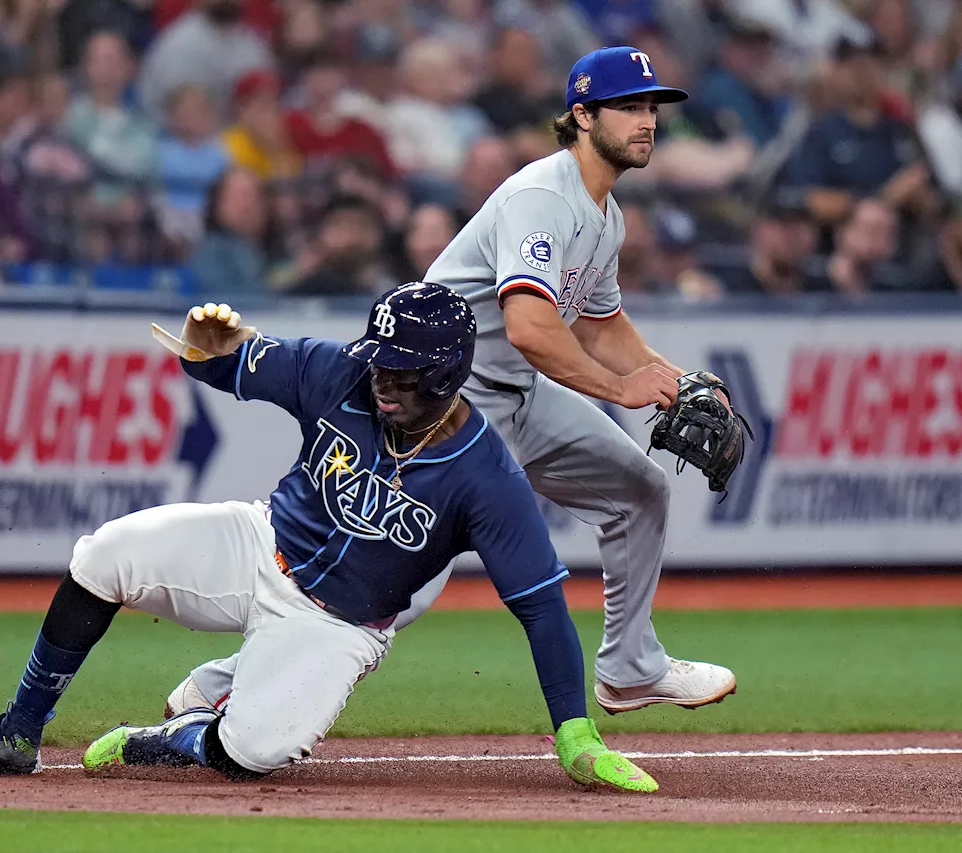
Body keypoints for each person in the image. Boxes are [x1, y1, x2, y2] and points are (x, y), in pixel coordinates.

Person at [161, 47, 738, 721]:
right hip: (443, 403)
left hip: (519, 394)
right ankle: (222, 683)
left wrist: (676, 378)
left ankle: (632, 667)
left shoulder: (603, 215)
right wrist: (620, 389)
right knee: (399, 584)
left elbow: (603, 324)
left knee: (639, 490)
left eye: (651, 108)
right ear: (582, 115)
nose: (647, 122)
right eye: (630, 107)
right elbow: (529, 326)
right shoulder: (541, 199)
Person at [0, 283, 658, 793]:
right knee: (104, 554)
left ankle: (170, 735)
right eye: (380, 363)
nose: (382, 383)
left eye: (402, 375)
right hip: (258, 543)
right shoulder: (338, 370)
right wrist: (203, 349)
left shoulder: (487, 479)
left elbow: (540, 610)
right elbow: (222, 364)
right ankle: (17, 731)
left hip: (338, 624)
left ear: (446, 375)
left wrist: (575, 732)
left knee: (256, 751)